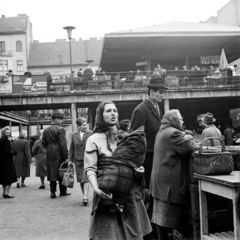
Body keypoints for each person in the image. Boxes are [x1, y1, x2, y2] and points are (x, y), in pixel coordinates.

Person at [84, 101, 151, 240]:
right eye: (108, 111)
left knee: (134, 233)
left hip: (130, 195)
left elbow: (134, 162)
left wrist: (139, 170)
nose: (113, 113)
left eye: (115, 110)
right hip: (107, 194)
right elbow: (90, 167)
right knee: (109, 234)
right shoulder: (93, 139)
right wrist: (96, 189)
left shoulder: (125, 137)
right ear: (100, 115)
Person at [150, 109, 193, 240]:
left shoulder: (162, 131)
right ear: (173, 120)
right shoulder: (173, 133)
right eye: (180, 119)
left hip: (160, 181)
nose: (182, 121)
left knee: (160, 216)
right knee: (166, 217)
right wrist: (187, 138)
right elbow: (188, 148)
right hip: (168, 182)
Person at [131, 75, 168, 190]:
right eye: (160, 92)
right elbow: (135, 139)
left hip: (155, 155)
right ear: (152, 92)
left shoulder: (157, 107)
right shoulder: (140, 110)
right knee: (147, 191)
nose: (163, 95)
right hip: (146, 159)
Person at [42, 111, 70, 199]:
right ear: (57, 119)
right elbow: (62, 144)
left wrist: (49, 147)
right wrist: (66, 157)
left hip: (50, 152)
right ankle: (63, 191)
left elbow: (43, 142)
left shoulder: (46, 129)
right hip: (59, 152)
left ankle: (52, 192)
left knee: (52, 172)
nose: (61, 121)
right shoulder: (60, 129)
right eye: (61, 119)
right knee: (62, 171)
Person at [69, 117, 92, 205]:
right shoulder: (74, 134)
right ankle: (85, 195)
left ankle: (85, 197)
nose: (85, 126)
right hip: (77, 159)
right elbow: (71, 148)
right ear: (78, 126)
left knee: (85, 178)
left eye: (86, 124)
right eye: (83, 125)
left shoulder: (90, 133)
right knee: (80, 179)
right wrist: (70, 160)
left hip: (88, 159)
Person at [0, 126, 18, 198]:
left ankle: (4, 192)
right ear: (4, 133)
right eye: (7, 132)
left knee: (4, 178)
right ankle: (7, 193)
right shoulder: (6, 140)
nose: (9, 133)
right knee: (9, 177)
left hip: (1, 161)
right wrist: (14, 152)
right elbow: (6, 151)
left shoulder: (1, 139)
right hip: (7, 161)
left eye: (9, 132)